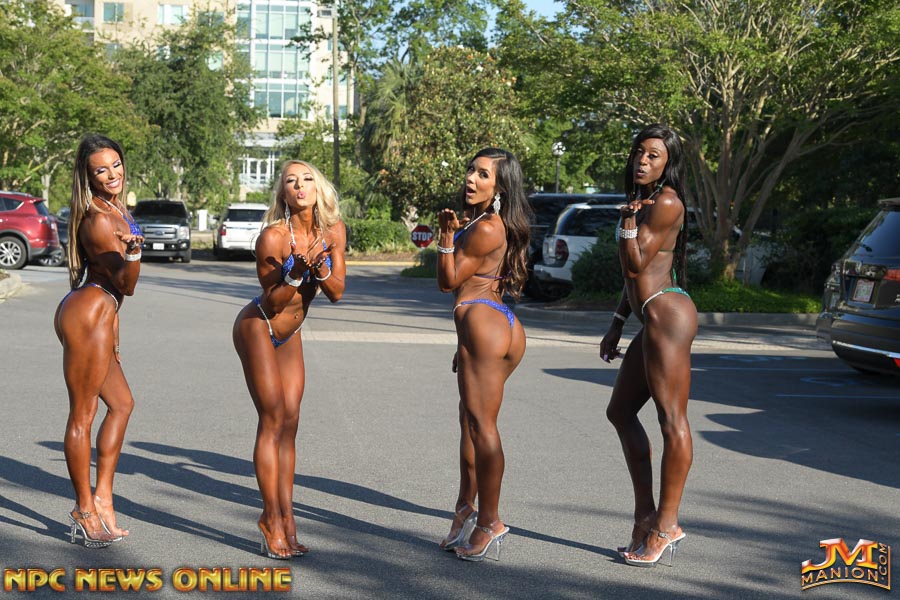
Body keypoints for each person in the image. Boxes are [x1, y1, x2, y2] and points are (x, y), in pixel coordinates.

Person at [233, 160, 345, 559]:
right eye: (291, 181)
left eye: (307, 179)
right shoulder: (273, 238)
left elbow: (337, 292)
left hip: (291, 333)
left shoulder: (333, 232)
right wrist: (294, 275)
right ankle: (269, 518)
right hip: (258, 326)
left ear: (319, 188)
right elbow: (272, 302)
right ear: (282, 192)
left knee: (291, 423)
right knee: (273, 418)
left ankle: (287, 518)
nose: (300, 185)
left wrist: (321, 267)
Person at [599, 124, 697, 567]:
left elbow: (636, 263)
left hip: (668, 316)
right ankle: (645, 516)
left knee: (672, 420)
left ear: (667, 163)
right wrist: (618, 323)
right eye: (639, 152)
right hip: (648, 316)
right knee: (620, 411)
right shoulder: (644, 202)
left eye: (654, 155)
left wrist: (625, 222)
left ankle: (667, 524)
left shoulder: (667, 202)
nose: (642, 160)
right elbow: (636, 277)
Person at [436, 147, 532, 562]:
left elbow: (448, 280)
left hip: (483, 323)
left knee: (482, 426)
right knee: (470, 422)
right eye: (471, 170)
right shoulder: (488, 223)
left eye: (483, 175)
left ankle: (490, 521)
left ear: (500, 188)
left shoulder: (487, 227)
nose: (471, 179)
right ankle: (466, 509)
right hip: (492, 324)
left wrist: (445, 238)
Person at [54, 134, 144, 547]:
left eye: (115, 165)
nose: (112, 174)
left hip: (101, 316)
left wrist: (115, 332)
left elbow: (115, 291)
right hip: (87, 316)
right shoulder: (98, 219)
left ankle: (103, 497)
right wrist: (134, 255)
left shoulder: (116, 207)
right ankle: (84, 508)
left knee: (122, 404)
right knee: (83, 415)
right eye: (101, 170)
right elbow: (125, 284)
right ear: (88, 177)